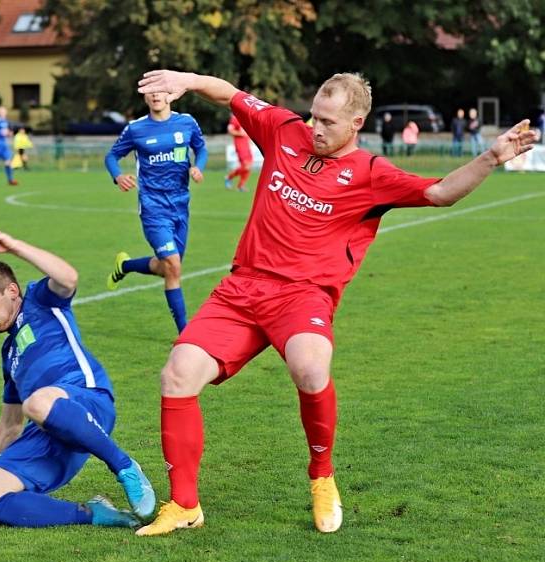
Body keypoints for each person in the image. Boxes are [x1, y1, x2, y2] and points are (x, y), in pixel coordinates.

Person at [133, 68, 536, 536]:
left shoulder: (370, 173)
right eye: (313, 117)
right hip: (243, 288)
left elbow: (439, 192)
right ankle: (184, 505)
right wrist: (188, 79)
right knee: (177, 373)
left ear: (356, 123)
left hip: (303, 295)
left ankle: (321, 476)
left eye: (327, 122)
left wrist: (491, 156)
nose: (315, 129)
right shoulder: (284, 131)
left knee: (310, 365)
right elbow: (233, 95)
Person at [0, 229, 156, 528]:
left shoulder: (40, 300)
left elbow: (68, 277)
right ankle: (94, 514)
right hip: (47, 434)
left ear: (11, 291)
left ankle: (126, 467)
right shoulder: (10, 354)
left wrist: (16, 246)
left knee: (38, 401)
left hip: (87, 403)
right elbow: (9, 425)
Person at [103, 91, 208, 333]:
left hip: (181, 205)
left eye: (160, 91)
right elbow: (112, 156)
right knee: (173, 265)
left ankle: (125, 266)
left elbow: (200, 149)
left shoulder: (187, 122)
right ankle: (185, 333)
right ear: (146, 99)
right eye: (151, 93)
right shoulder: (136, 129)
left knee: (168, 267)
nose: (156, 96)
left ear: (170, 95)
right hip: (153, 208)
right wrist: (117, 176)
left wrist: (198, 167)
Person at [225, 113, 253, 192]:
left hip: (246, 145)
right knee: (246, 166)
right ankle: (229, 177)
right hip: (240, 146)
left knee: (248, 166)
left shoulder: (244, 118)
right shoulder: (235, 118)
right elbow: (230, 131)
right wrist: (241, 134)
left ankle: (241, 185)